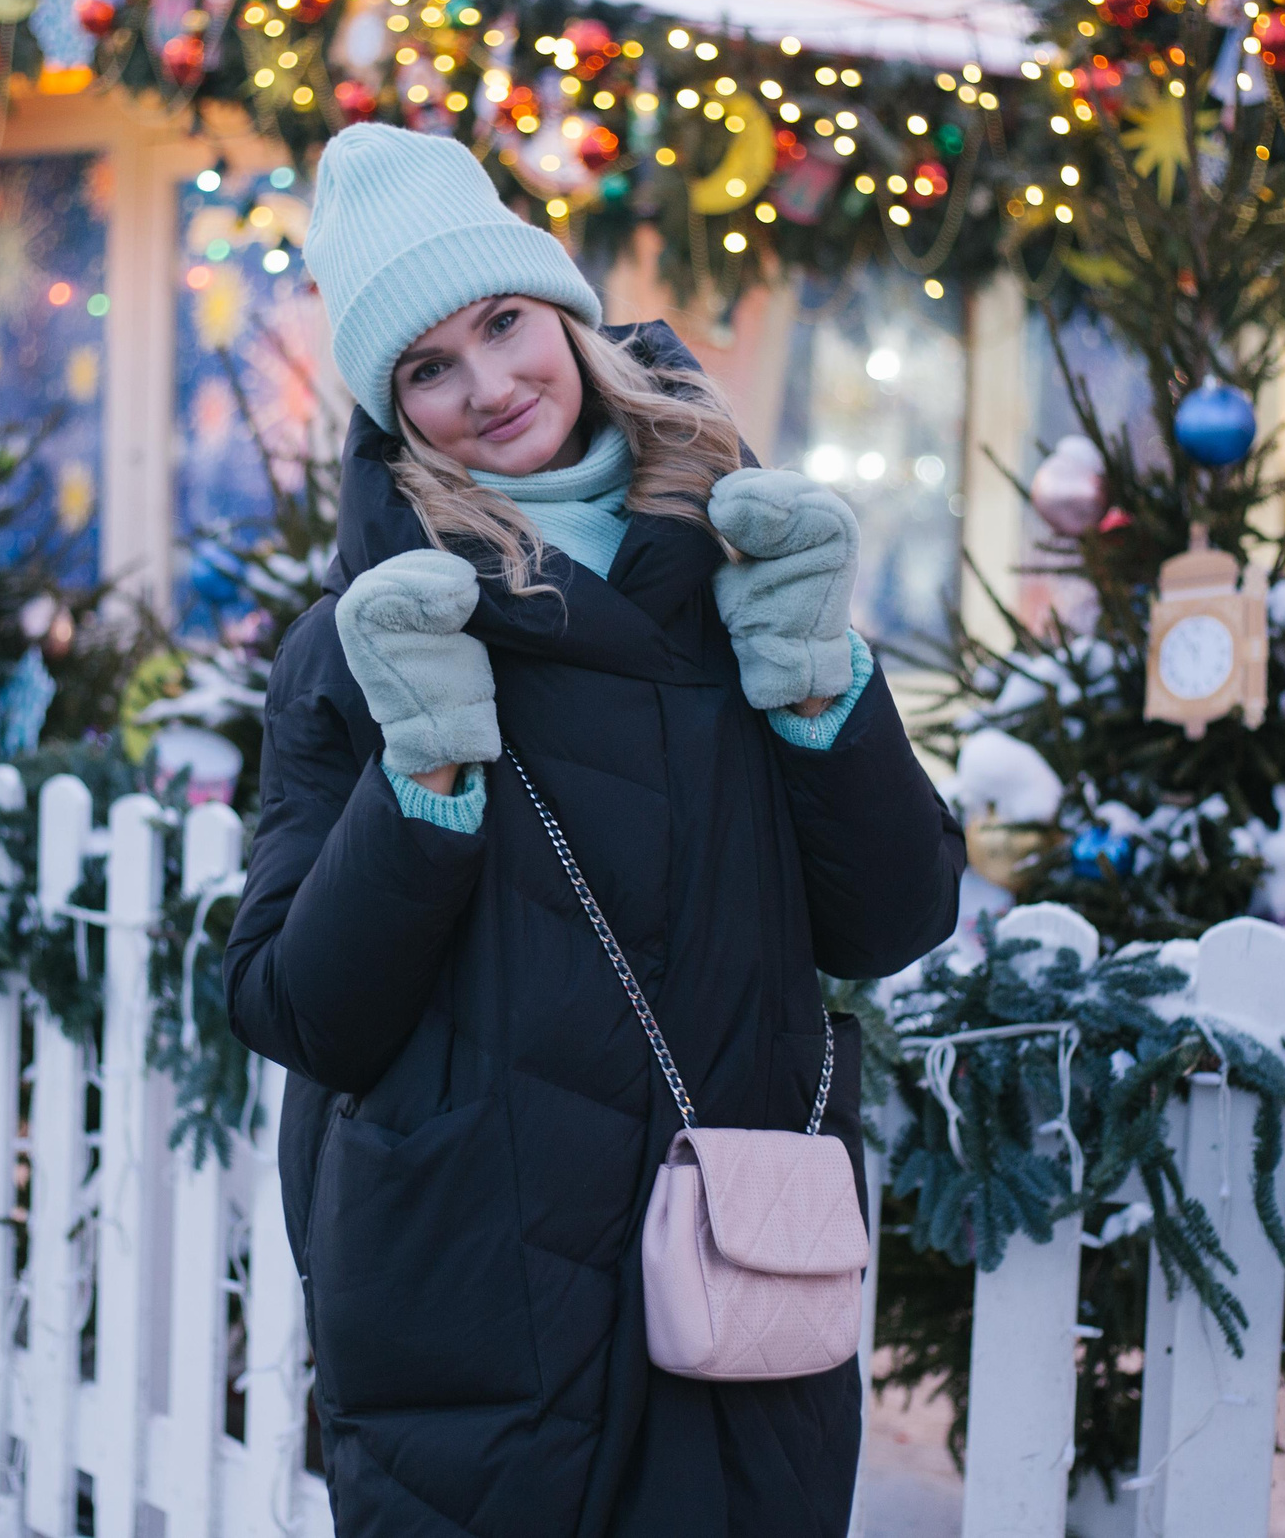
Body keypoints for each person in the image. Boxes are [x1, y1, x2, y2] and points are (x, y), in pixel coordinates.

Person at [223, 123, 966, 1538]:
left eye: (505, 324)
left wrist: (820, 685)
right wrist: (422, 775)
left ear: (564, 310)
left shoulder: (745, 566)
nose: (490, 387)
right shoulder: (357, 642)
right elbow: (293, 1007)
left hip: (733, 1268)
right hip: (471, 1306)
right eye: (428, 368)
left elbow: (890, 921)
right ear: (391, 412)